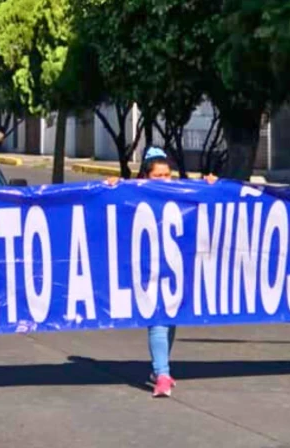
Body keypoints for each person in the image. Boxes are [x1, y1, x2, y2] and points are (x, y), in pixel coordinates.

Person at [106, 147, 217, 397]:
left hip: (176, 267)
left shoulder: (180, 194)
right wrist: (110, 187)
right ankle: (162, 373)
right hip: (146, 268)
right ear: (145, 177)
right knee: (157, 316)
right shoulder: (132, 194)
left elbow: (208, 202)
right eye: (158, 175)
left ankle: (160, 368)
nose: (164, 180)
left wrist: (212, 186)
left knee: (170, 316)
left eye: (167, 175)